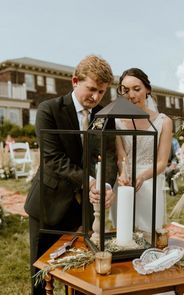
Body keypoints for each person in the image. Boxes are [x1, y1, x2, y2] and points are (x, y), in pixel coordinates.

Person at [24, 55, 117, 295]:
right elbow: (53, 159)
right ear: (75, 81)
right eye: (92, 89)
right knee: (40, 272)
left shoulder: (105, 116)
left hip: (85, 209)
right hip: (49, 204)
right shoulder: (49, 110)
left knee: (81, 273)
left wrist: (106, 185)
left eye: (102, 92)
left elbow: (108, 157)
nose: (96, 97)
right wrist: (92, 181)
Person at [111, 68, 172, 233]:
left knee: (148, 233)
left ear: (147, 90)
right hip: (124, 183)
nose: (131, 95)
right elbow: (121, 155)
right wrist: (123, 174)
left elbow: (162, 162)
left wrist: (143, 176)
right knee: (123, 233)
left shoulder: (163, 122)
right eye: (126, 90)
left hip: (149, 182)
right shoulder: (116, 122)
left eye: (136, 89)